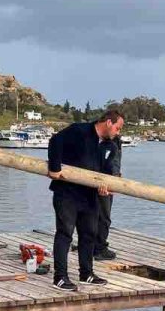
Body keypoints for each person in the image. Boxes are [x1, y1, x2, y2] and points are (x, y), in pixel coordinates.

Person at [47, 110, 125, 290]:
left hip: (90, 196)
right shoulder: (79, 131)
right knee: (65, 233)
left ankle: (86, 273)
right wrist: (54, 167)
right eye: (117, 128)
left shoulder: (110, 146)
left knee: (89, 234)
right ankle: (60, 277)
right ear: (108, 122)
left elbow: (106, 171)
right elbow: (55, 141)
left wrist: (106, 186)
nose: (118, 132)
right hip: (67, 193)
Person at [94, 134, 122, 260]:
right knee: (104, 217)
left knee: (94, 215)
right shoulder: (113, 145)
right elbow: (113, 164)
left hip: (95, 181)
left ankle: (92, 245)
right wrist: (115, 179)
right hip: (106, 185)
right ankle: (100, 248)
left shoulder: (98, 144)